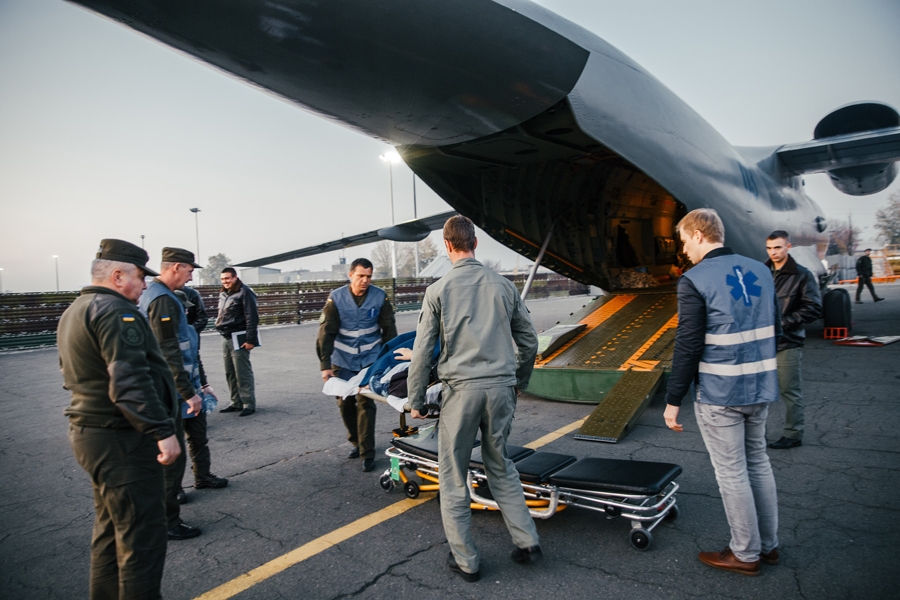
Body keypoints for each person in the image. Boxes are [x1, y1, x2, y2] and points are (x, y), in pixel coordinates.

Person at [407, 216, 541, 582]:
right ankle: (527, 540)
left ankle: (466, 561)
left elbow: (423, 351)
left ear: (447, 246)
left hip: (461, 393)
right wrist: (518, 381)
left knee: (453, 475)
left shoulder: (438, 290)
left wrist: (415, 399)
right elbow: (529, 341)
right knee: (501, 464)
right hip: (501, 391)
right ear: (475, 243)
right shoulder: (504, 286)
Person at [58, 239, 181, 599]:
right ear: (117, 276)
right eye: (140, 277)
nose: (144, 285)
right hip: (121, 439)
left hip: (93, 435)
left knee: (112, 530)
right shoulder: (116, 312)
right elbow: (129, 380)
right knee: (142, 537)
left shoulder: (77, 309)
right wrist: (162, 431)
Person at [664, 209, 781, 577]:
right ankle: (769, 546)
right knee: (758, 463)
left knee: (732, 473)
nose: (685, 250)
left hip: (720, 392)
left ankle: (745, 553)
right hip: (760, 386)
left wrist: (673, 400)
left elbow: (688, 345)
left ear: (699, 235)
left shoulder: (694, 280)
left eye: (685, 241)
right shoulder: (762, 270)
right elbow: (776, 328)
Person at [139, 248, 228, 531]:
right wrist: (188, 393)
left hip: (186, 386)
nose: (191, 277)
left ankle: (202, 477)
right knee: (173, 451)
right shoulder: (162, 300)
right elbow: (168, 353)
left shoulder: (169, 297)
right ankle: (170, 515)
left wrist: (201, 385)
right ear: (176, 267)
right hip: (173, 391)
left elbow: (188, 349)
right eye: (189, 270)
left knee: (198, 436)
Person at [317, 258, 397, 472]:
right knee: (345, 404)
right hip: (342, 361)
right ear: (351, 275)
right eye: (361, 276)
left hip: (370, 361)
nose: (365, 280)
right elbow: (326, 333)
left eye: (368, 276)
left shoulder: (380, 297)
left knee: (366, 404)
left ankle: (367, 453)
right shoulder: (336, 298)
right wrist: (325, 365)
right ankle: (356, 441)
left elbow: (389, 330)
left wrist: (390, 360)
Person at [764, 231, 822, 450]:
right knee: (759, 392)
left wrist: (783, 323)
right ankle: (757, 434)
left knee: (789, 391)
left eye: (777, 247)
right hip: (761, 343)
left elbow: (813, 308)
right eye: (769, 248)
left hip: (787, 341)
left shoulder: (802, 274)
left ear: (788, 246)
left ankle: (793, 434)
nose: (773, 252)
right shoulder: (761, 271)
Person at [216, 267, 260, 416]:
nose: (225, 281)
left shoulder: (245, 292)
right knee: (230, 372)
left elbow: (251, 317)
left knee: (242, 372)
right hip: (226, 336)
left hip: (239, 336)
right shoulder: (224, 293)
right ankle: (236, 402)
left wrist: (250, 339)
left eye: (228, 278)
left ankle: (248, 403)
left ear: (235, 277)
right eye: (223, 279)